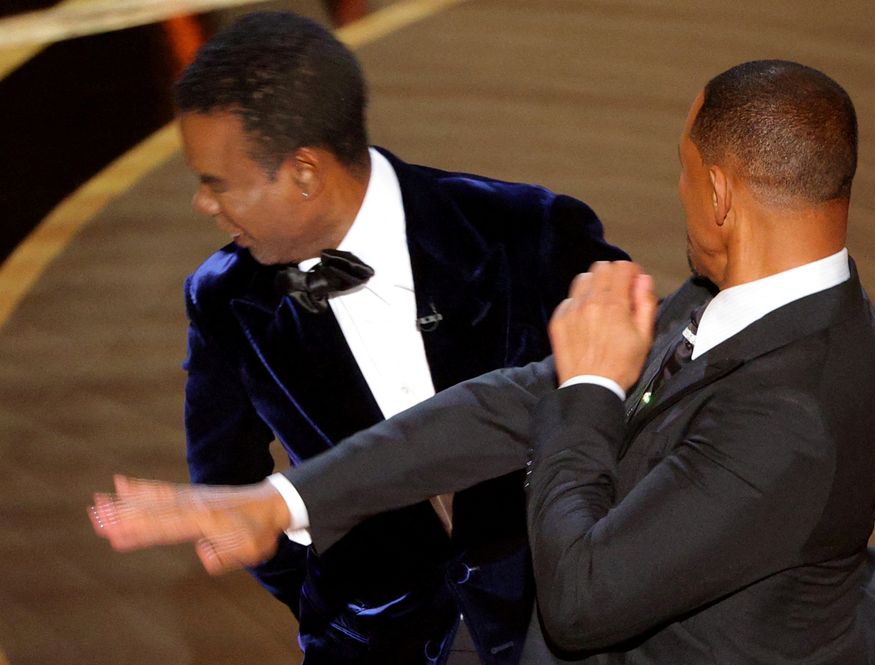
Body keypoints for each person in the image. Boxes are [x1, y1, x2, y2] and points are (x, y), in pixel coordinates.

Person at [94, 60, 875, 662]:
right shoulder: (743, 293)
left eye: (684, 174)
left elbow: (578, 602)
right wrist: (281, 500)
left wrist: (590, 390)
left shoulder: (791, 416)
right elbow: (512, 402)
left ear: (719, 191)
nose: (679, 193)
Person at [161, 10, 626, 665]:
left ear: (302, 171)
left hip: (560, 626)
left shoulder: (529, 229)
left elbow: (647, 398)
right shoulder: (224, 297)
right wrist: (335, 600)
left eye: (216, 182)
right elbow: (227, 480)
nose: (203, 204)